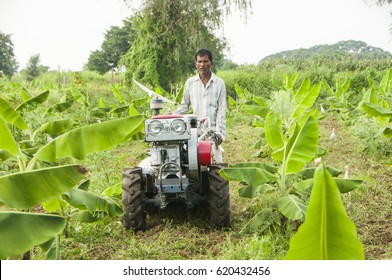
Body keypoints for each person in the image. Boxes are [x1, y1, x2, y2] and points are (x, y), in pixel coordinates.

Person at [174, 49, 227, 162]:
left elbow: (222, 110)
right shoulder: (190, 83)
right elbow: (184, 106)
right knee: (191, 164)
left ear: (211, 63)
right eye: (199, 61)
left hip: (212, 132)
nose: (202, 65)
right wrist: (173, 115)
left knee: (216, 166)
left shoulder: (219, 83)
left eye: (205, 61)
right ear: (196, 64)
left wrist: (220, 133)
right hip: (194, 132)